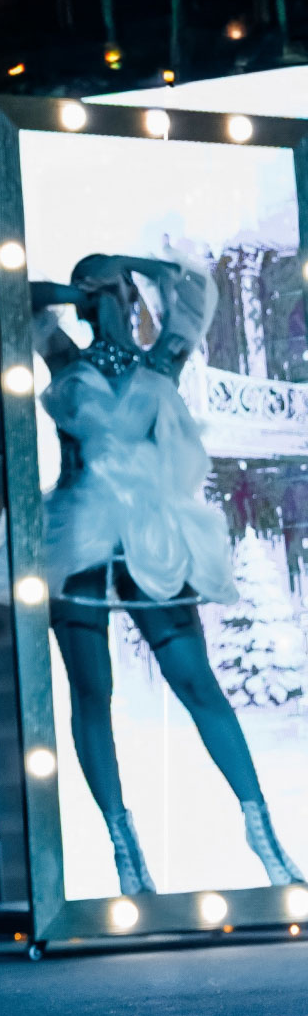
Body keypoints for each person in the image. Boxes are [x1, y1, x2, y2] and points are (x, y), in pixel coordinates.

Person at [31, 254, 303, 891]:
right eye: (92, 288)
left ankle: (263, 833)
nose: (104, 295)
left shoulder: (162, 360)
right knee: (91, 693)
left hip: (150, 539)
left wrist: (127, 265)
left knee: (196, 682)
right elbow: (10, 298)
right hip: (77, 536)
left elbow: (195, 289)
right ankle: (125, 852)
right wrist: (78, 287)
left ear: (131, 295)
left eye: (113, 288)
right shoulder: (65, 360)